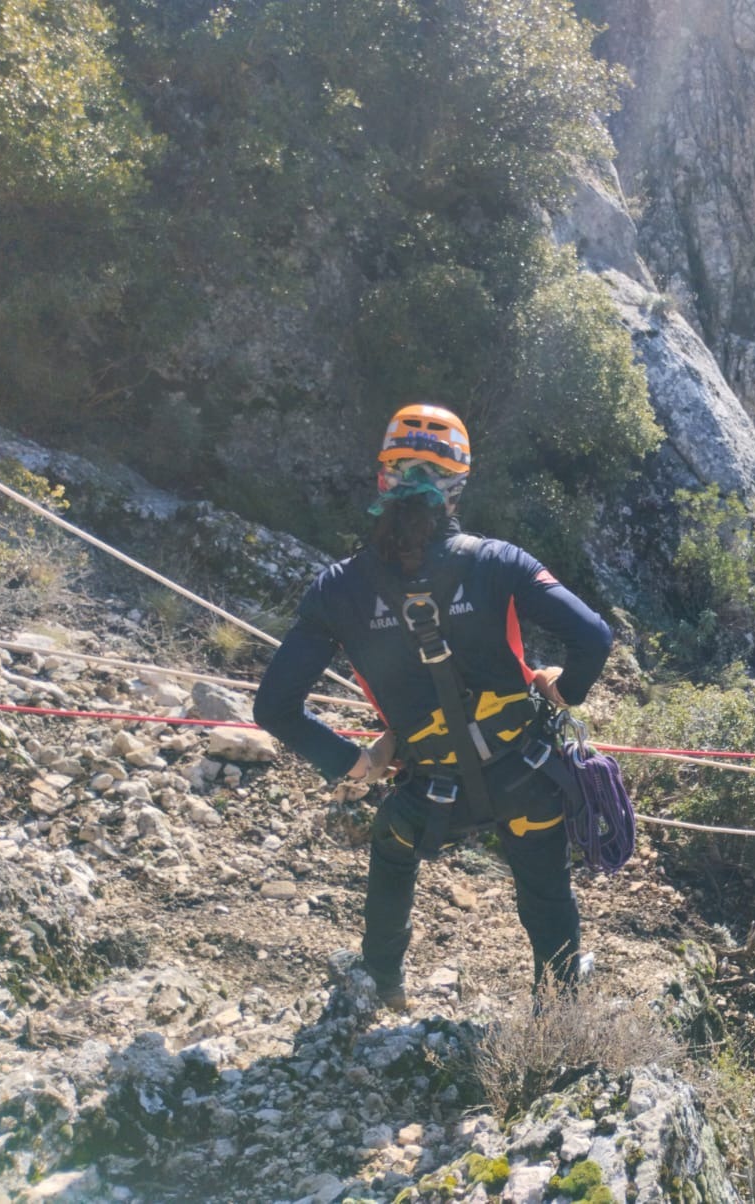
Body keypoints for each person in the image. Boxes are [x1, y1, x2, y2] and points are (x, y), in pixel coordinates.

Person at [255, 402, 613, 1010]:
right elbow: (594, 638)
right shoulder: (498, 562)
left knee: (392, 854)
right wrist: (563, 687)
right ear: (457, 488)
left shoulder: (338, 590)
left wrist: (352, 762)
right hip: (523, 777)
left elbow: (275, 709)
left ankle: (382, 980)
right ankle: (558, 1013)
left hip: (427, 794)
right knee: (545, 890)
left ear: (382, 481)